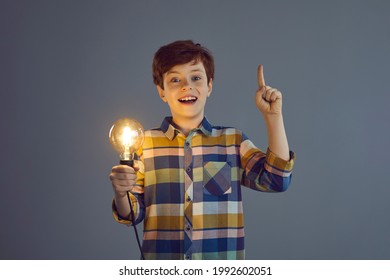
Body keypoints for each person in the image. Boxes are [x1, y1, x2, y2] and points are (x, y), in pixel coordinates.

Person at [109, 40, 295, 260]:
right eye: (175, 80)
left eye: (196, 77)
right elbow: (132, 215)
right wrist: (121, 193)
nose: (186, 86)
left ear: (209, 86)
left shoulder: (232, 141)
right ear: (162, 91)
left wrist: (273, 117)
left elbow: (277, 180)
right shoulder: (144, 144)